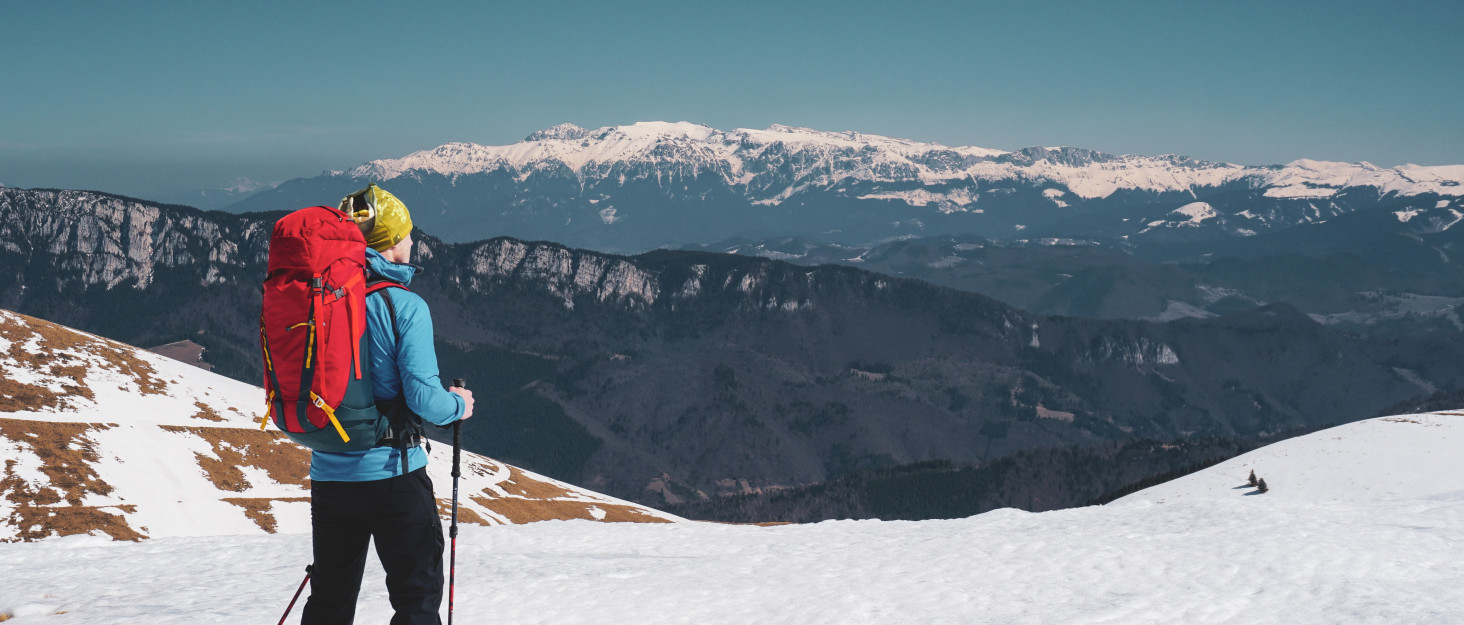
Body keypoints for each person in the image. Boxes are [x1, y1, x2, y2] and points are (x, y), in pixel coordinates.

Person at [302, 183, 474, 625]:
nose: (413, 241)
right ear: (392, 244)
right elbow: (422, 398)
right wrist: (457, 405)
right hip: (393, 473)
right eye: (408, 234)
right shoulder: (404, 305)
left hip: (329, 473)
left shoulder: (318, 298)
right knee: (416, 600)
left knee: (330, 602)